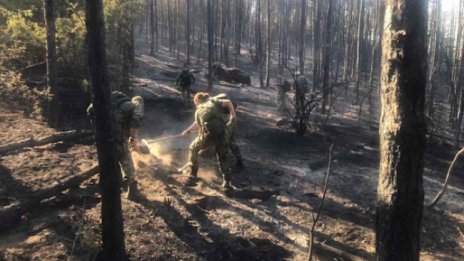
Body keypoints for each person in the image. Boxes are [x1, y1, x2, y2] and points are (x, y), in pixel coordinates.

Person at [87, 91, 144, 200]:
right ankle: (132, 190)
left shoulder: (113, 102)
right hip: (116, 135)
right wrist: (134, 139)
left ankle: (108, 187)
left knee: (108, 159)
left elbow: (90, 110)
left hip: (101, 134)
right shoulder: (135, 105)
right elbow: (136, 121)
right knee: (125, 158)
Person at [181, 92, 236, 189]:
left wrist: (187, 131)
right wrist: (233, 115)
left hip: (209, 135)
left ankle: (192, 175)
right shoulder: (213, 102)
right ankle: (227, 182)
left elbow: (197, 124)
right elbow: (228, 102)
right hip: (222, 133)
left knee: (193, 148)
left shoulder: (199, 109)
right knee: (222, 156)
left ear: (197, 101)